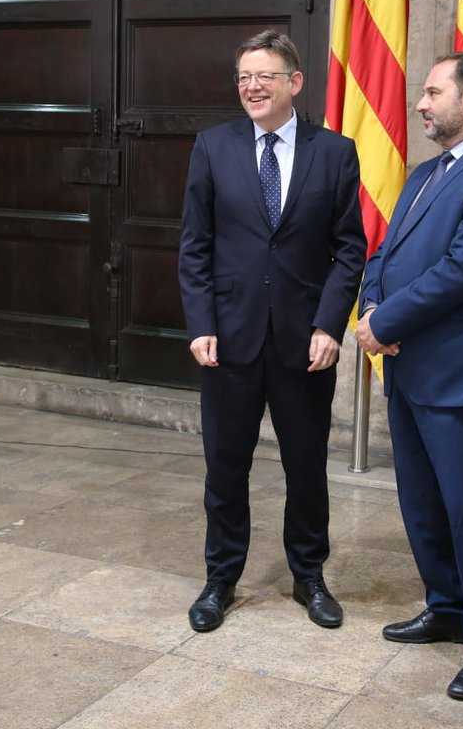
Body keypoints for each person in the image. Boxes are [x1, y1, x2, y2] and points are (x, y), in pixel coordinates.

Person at [355, 53, 463, 700]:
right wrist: (373, 306)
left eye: (433, 92)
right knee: (421, 504)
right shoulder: (423, 174)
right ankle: (448, 607)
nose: (423, 104)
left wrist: (387, 322)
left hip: (459, 371)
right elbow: (386, 252)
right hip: (406, 368)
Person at [178, 31, 366, 633]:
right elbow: (195, 248)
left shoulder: (334, 152)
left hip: (303, 344)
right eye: (243, 78)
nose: (252, 88)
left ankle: (309, 576)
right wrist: (201, 323)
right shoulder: (212, 147)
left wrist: (329, 326)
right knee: (224, 466)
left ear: (295, 82)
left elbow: (349, 251)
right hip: (228, 342)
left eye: (264, 77)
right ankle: (220, 579)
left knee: (305, 466)